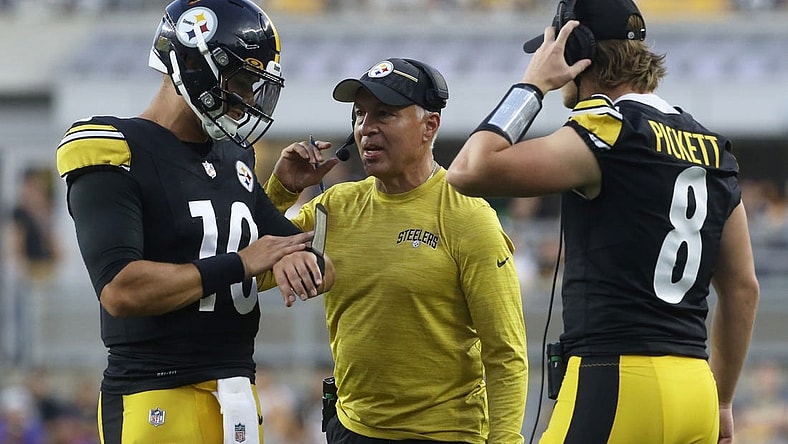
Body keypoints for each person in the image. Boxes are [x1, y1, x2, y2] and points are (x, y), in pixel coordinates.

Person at [446, 0, 760, 442]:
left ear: (576, 52)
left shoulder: (608, 129)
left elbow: (468, 170)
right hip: (696, 391)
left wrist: (531, 84)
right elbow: (743, 286)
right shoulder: (714, 147)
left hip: (616, 379)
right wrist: (723, 399)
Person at [55, 1, 333, 443]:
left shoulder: (234, 158)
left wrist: (281, 193)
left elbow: (308, 263)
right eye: (241, 81)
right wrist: (243, 263)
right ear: (196, 64)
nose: (246, 101)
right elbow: (121, 289)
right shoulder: (117, 146)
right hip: (155, 394)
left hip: (237, 395)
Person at [263, 57, 529, 443]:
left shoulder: (468, 218)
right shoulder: (334, 207)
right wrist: (281, 190)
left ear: (430, 126)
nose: (366, 128)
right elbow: (251, 272)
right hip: (351, 429)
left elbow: (505, 354)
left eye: (384, 115)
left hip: (443, 434)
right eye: (359, 115)